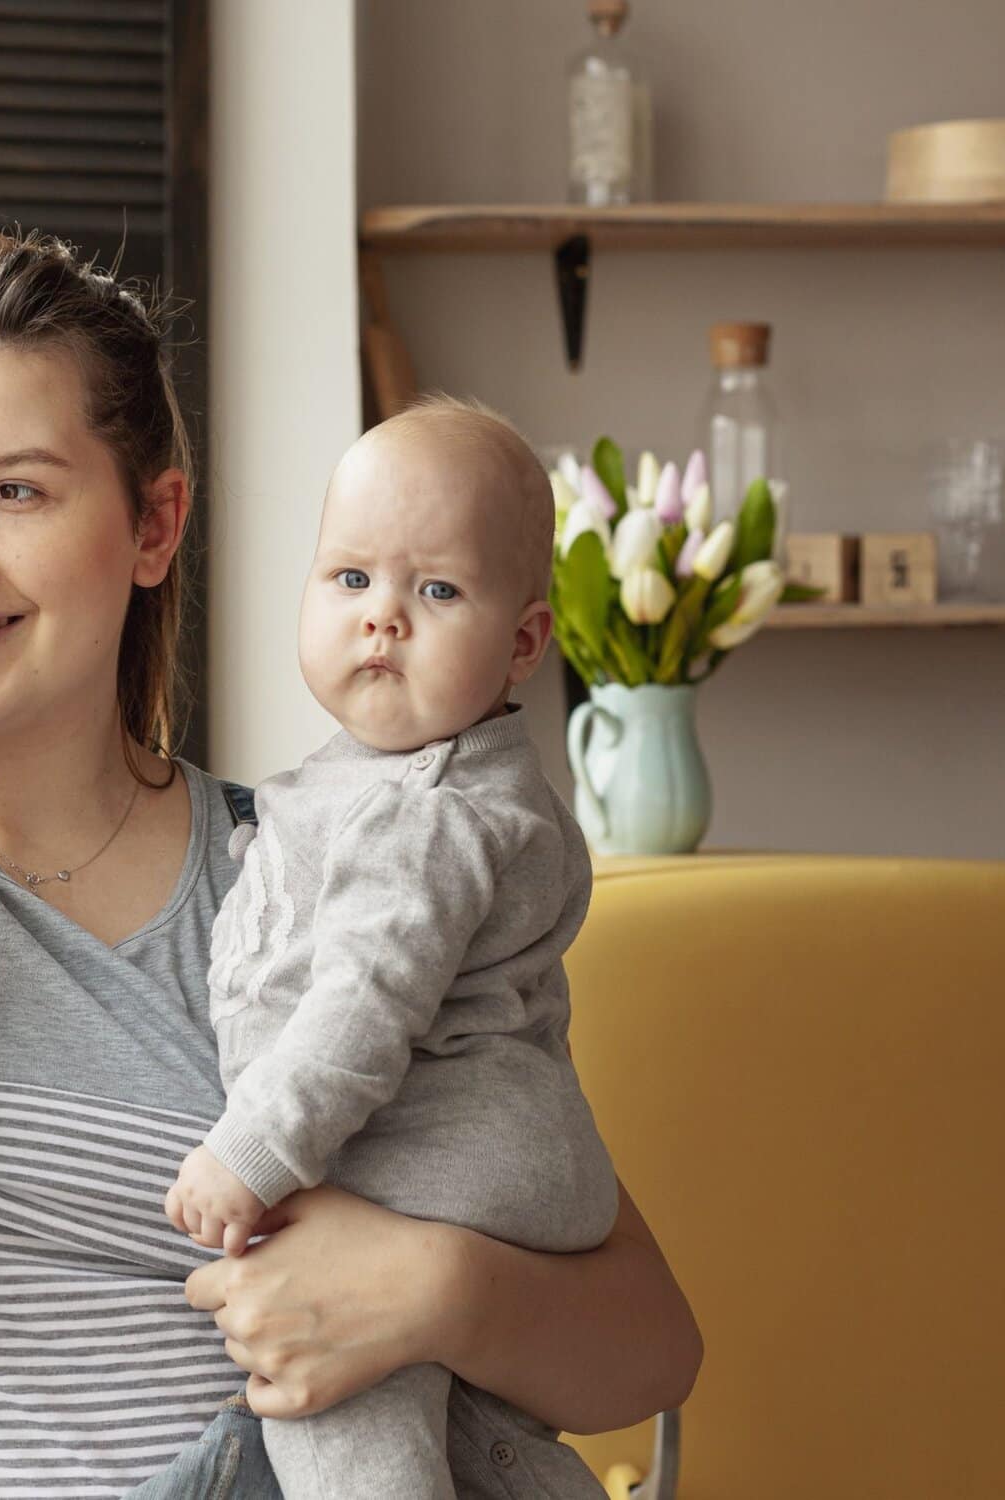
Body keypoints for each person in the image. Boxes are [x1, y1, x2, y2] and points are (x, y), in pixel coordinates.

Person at [0, 230, 700, 1499]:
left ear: (156, 524)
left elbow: (649, 1343)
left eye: (18, 491)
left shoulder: (326, 861)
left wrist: (436, 1289)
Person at [165, 398, 616, 1498]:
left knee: (328, 1376)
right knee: (472, 1429)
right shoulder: (393, 777)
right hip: (494, 1154)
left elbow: (362, 1008)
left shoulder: (428, 812)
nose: (385, 620)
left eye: (438, 590)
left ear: (521, 643)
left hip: (443, 1161)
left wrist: (252, 1152)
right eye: (351, 579)